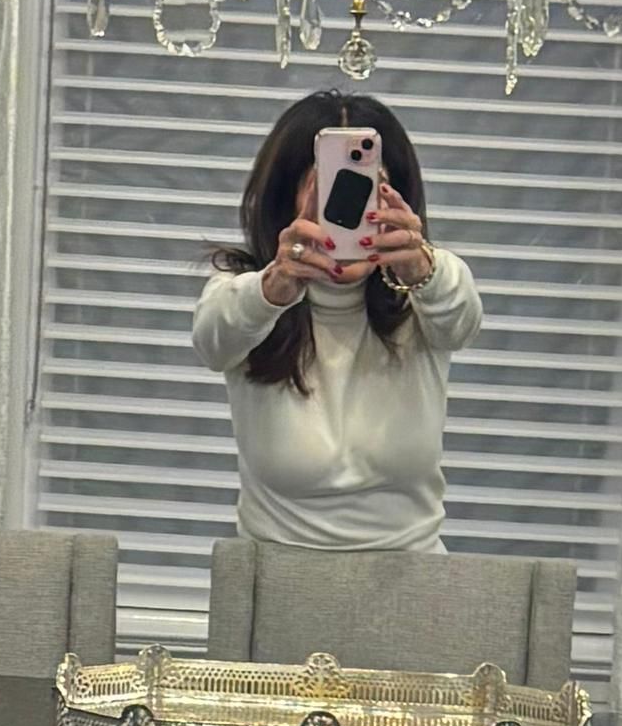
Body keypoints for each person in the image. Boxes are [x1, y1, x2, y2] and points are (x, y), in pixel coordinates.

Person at [188, 87, 483, 556]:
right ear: (287, 202)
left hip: (415, 581)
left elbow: (462, 320)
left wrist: (420, 268)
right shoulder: (246, 294)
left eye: (363, 189)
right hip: (274, 579)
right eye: (326, 193)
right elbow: (211, 339)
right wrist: (276, 285)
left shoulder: (427, 289)